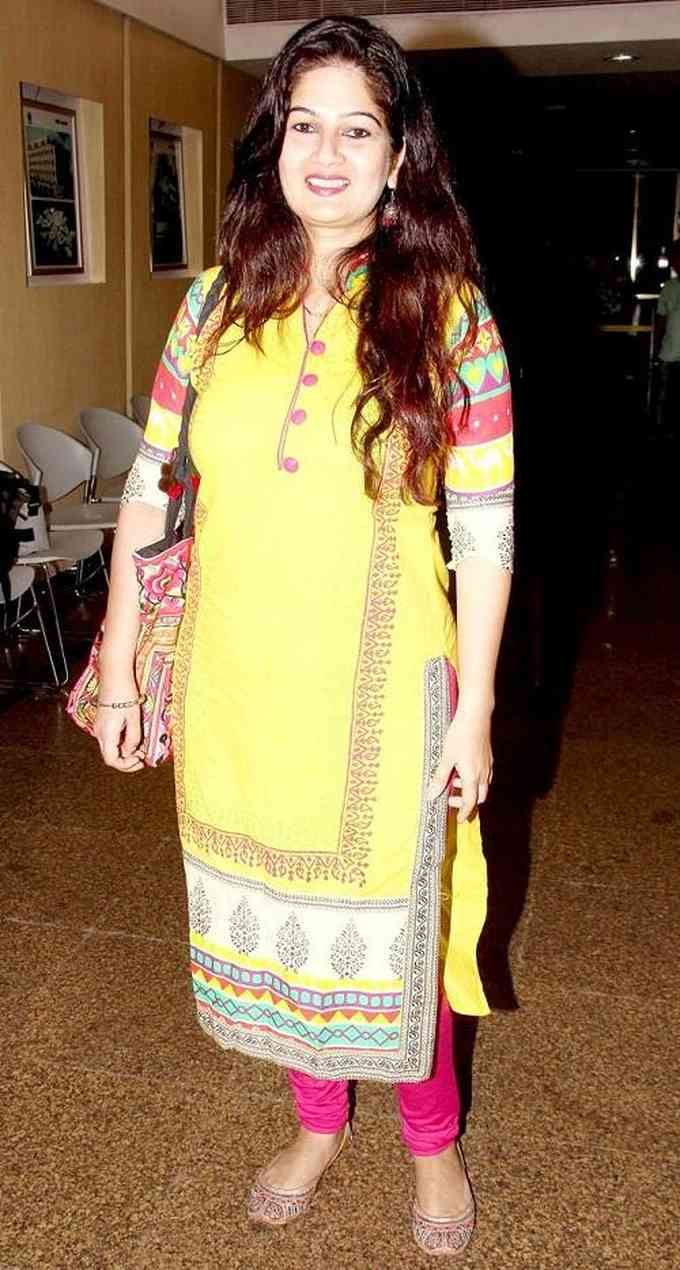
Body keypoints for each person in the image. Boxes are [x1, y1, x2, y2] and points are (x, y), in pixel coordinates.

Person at [95, 16, 513, 1257]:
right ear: (272, 143)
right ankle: (317, 1125)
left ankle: (431, 1144)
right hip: (238, 687)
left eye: (357, 129)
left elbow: (485, 526)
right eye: (303, 125)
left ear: (398, 156)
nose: (325, 155)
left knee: (398, 937)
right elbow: (150, 486)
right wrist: (119, 662)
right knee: (280, 923)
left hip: (383, 695)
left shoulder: (448, 315)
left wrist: (477, 708)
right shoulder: (213, 303)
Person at [654, 239, 680, 447]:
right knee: (666, 403)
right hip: (670, 355)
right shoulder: (669, 287)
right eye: (674, 258)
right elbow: (661, 321)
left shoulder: (670, 287)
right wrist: (657, 350)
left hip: (670, 355)